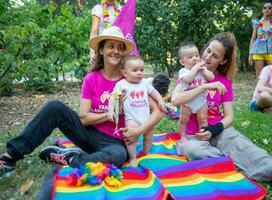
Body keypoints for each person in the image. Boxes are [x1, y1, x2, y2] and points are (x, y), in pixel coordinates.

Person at [0, 26, 163, 178]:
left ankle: (70, 157)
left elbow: (158, 111)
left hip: (115, 141)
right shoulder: (91, 79)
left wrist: (139, 131)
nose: (116, 51)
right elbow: (84, 119)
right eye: (111, 46)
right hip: (88, 134)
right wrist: (109, 114)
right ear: (101, 49)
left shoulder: (131, 79)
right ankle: (9, 157)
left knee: (119, 156)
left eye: (120, 48)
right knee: (54, 107)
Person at [172, 32, 272, 193]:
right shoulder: (187, 74)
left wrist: (214, 129)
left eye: (215, 55)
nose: (208, 55)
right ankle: (231, 162)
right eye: (208, 50)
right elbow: (176, 100)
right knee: (192, 149)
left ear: (223, 61)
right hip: (193, 135)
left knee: (240, 143)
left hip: (217, 130)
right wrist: (204, 87)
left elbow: (229, 117)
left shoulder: (224, 82)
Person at [108, 55, 165, 166]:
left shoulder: (144, 83)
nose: (139, 73)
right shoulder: (122, 84)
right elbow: (113, 97)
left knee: (148, 136)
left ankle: (146, 152)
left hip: (146, 117)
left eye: (141, 70)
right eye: (135, 70)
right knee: (131, 140)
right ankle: (133, 157)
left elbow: (154, 92)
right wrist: (111, 110)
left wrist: (160, 101)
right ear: (124, 73)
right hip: (132, 118)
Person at [176, 42, 214, 152]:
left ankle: (202, 137)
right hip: (188, 102)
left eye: (196, 55)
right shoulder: (183, 71)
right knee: (183, 119)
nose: (195, 59)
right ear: (182, 62)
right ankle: (183, 136)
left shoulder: (203, 69)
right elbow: (188, 80)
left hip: (201, 101)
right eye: (190, 57)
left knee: (202, 119)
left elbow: (211, 78)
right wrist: (196, 68)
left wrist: (204, 70)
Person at [249, 0, 272, 79]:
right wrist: (250, 54)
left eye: (269, 8)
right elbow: (253, 38)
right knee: (260, 75)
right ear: (262, 10)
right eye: (265, 8)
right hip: (257, 51)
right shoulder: (257, 23)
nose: (267, 9)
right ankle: (260, 91)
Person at [90, 0, 122, 66]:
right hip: (104, 46)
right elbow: (94, 31)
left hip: (117, 46)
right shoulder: (98, 8)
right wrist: (92, 53)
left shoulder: (120, 8)